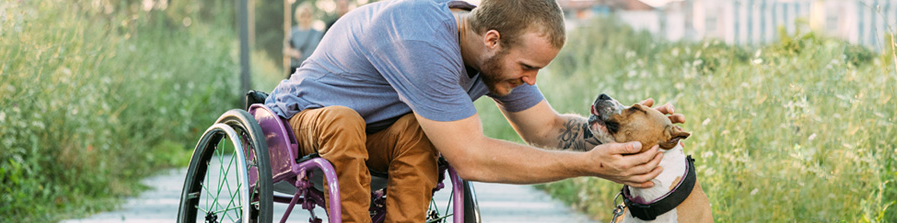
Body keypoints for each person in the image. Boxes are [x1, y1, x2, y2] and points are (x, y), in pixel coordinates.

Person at [261, 0, 686, 222]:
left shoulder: (491, 58)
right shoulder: (424, 41)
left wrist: (626, 132)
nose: (532, 80)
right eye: (528, 67)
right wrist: (590, 166)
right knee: (345, 120)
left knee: (416, 131)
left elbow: (551, 131)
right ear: (493, 39)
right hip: (305, 122)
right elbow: (471, 156)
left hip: (379, 135)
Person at [285, 4, 324, 76]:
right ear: (298, 16)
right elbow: (286, 50)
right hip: (297, 68)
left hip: (312, 69)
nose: (305, 18)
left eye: (308, 15)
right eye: (303, 15)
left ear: (311, 17)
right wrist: (293, 52)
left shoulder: (318, 34)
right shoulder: (293, 33)